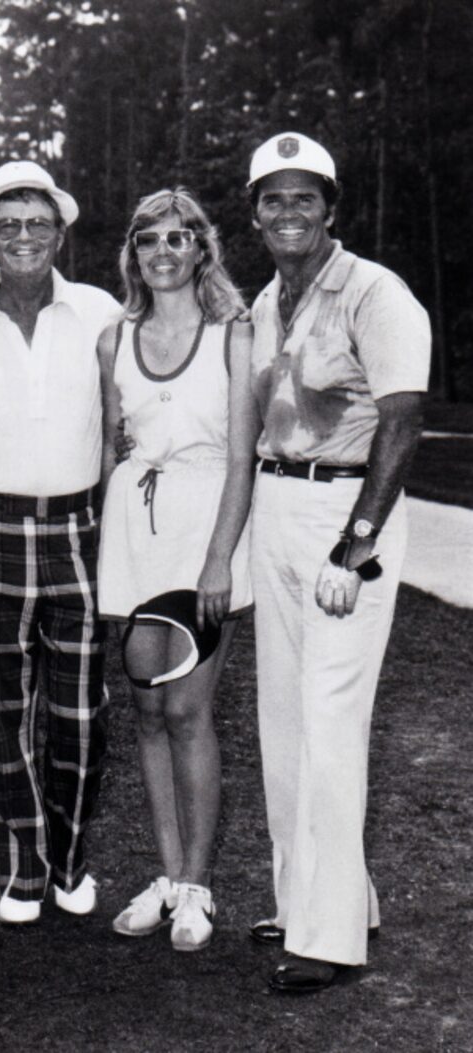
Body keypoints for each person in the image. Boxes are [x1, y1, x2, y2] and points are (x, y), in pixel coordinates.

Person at [245, 133, 431, 993]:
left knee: (328, 726)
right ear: (255, 214)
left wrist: (355, 546)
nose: (289, 213)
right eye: (273, 199)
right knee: (283, 723)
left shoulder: (375, 292)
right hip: (279, 503)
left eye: (304, 197)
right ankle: (314, 899)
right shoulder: (266, 302)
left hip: (344, 514)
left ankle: (330, 938)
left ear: (332, 207)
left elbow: (400, 422)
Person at [0, 161, 121, 923]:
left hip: (79, 530)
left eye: (36, 222)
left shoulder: (101, 311)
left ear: (59, 230)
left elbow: (129, 412)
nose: (23, 236)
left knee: (80, 712)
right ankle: (23, 864)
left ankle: (71, 859)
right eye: (7, 223)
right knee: (5, 711)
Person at [96, 188, 257, 952]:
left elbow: (241, 457)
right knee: (148, 713)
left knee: (191, 710)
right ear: (133, 253)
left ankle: (197, 883)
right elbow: (110, 446)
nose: (163, 251)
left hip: (204, 532)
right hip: (135, 531)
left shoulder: (234, 333)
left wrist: (219, 558)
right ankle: (165, 876)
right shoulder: (113, 339)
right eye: (149, 240)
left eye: (178, 237)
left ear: (201, 249)